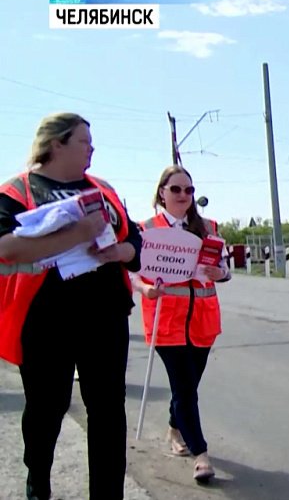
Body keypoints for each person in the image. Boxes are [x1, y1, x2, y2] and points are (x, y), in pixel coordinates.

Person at [0, 113, 142, 500]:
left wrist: (118, 250)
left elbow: (137, 246)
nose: (92, 148)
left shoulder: (103, 189)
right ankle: (38, 478)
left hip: (105, 316)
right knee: (47, 408)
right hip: (45, 320)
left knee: (108, 410)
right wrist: (77, 234)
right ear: (56, 144)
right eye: (84, 141)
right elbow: (5, 247)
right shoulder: (18, 190)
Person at [131, 165, 229, 483]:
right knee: (185, 388)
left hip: (203, 319)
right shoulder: (146, 229)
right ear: (162, 192)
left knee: (188, 386)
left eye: (189, 190)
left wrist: (221, 273)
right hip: (166, 321)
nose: (184, 196)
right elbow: (130, 270)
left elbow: (225, 268)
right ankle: (201, 455)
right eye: (176, 190)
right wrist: (144, 288)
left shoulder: (208, 227)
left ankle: (175, 426)